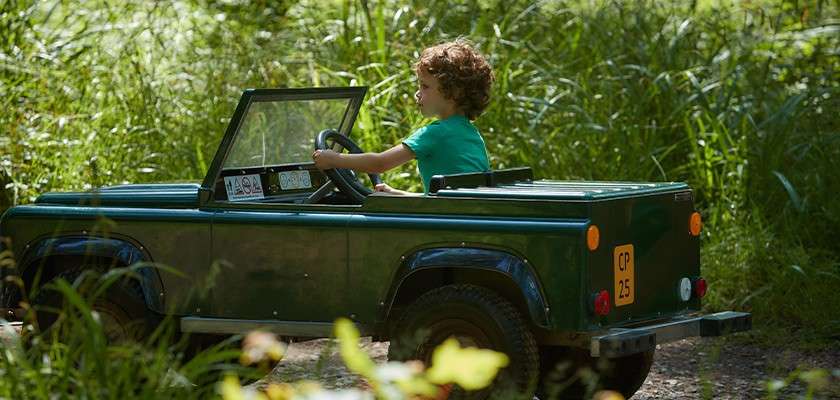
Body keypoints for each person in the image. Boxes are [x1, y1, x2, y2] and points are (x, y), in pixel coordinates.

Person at [312, 39, 494, 195]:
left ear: (453, 92)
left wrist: (333, 159)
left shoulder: (436, 133)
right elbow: (443, 201)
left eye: (425, 86)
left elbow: (380, 163)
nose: (418, 93)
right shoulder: (471, 134)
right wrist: (398, 194)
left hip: (446, 225)